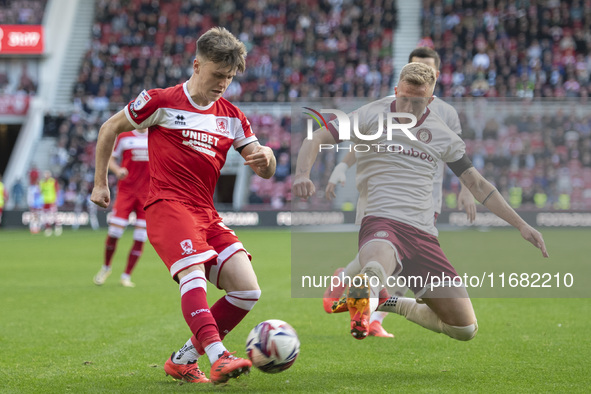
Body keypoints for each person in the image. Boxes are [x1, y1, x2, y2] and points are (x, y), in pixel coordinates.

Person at [294, 62, 548, 342]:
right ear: (395, 91)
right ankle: (364, 297)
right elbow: (317, 137)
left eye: (416, 102)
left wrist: (522, 225)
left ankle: (387, 302)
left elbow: (477, 184)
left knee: (463, 329)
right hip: (382, 220)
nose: (407, 108)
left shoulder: (443, 134)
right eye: (403, 98)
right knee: (376, 267)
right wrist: (302, 175)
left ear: (431, 100)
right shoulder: (370, 114)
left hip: (424, 235)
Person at [91, 27, 276, 384]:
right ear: (196, 65)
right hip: (167, 205)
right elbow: (110, 127)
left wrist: (266, 156)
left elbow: (264, 169)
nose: (224, 83)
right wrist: (101, 182)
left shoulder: (233, 117)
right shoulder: (161, 101)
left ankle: (184, 358)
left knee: (247, 289)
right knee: (192, 275)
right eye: (217, 75)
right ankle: (218, 356)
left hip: (206, 213)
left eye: (230, 77)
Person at [322, 47, 478, 338]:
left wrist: (467, 190)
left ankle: (356, 285)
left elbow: (459, 157)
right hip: (384, 197)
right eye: (415, 66)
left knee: (404, 261)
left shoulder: (446, 114)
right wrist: (342, 166)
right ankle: (374, 309)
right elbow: (366, 140)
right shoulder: (388, 107)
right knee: (392, 258)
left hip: (425, 198)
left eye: (426, 67)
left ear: (436, 76)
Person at [93, 128, 149, 288]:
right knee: (114, 232)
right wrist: (117, 170)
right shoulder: (125, 137)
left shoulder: (155, 135)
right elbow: (111, 159)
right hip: (126, 191)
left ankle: (126, 275)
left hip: (147, 195)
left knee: (140, 236)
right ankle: (106, 267)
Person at [39, 170, 62, 236]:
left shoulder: (52, 181)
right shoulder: (42, 182)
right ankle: (48, 228)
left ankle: (57, 227)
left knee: (54, 215)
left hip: (52, 201)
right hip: (45, 201)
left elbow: (56, 190)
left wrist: (56, 200)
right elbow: (41, 191)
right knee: (45, 216)